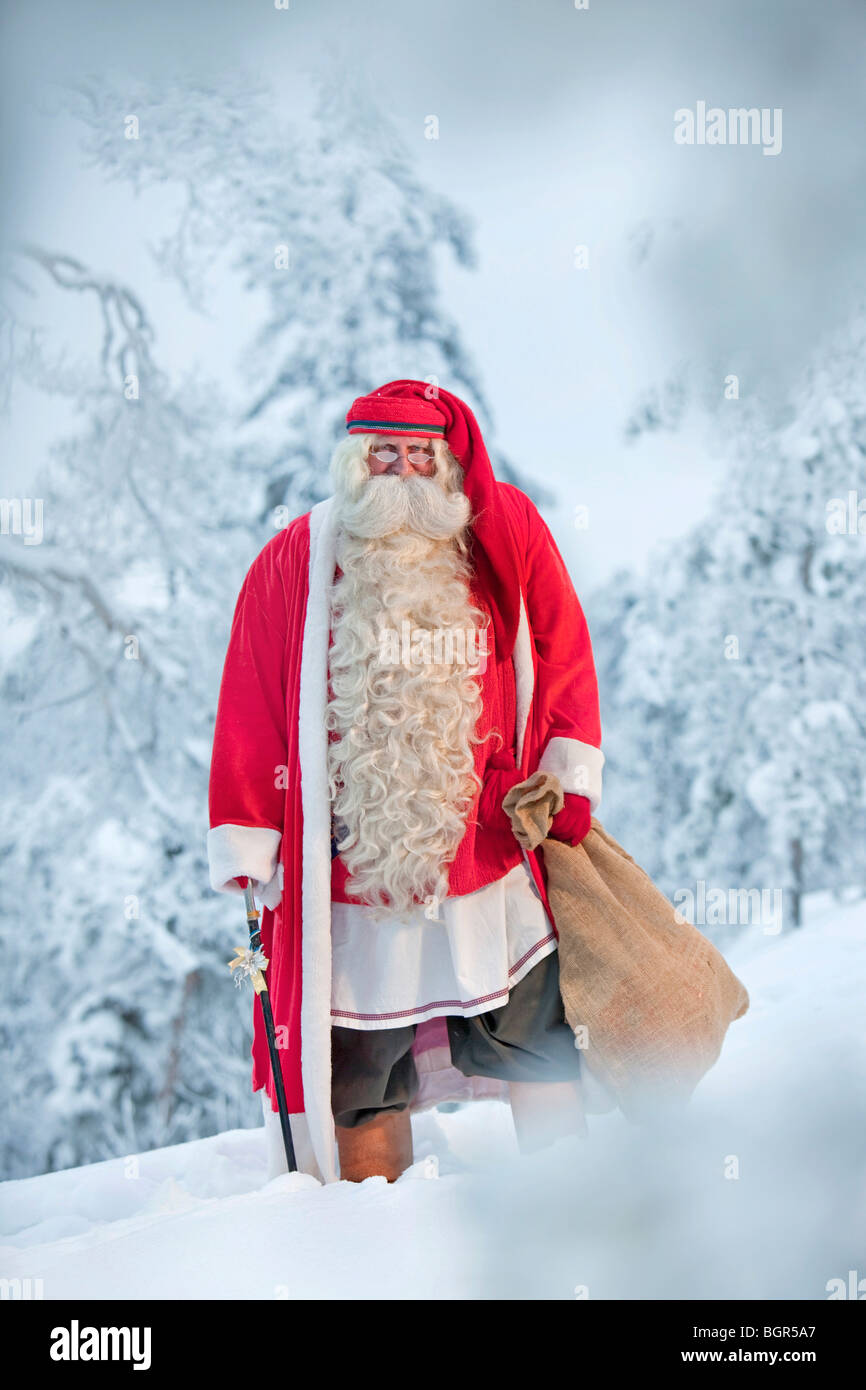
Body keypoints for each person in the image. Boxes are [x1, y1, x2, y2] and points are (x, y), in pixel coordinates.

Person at [207, 380, 604, 1184]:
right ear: (354, 462)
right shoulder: (294, 559)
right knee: (361, 1077)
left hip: (489, 851)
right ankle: (373, 1242)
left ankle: (570, 1210)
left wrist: (567, 776)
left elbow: (562, 646)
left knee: (539, 1044)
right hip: (358, 872)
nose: (401, 472)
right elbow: (250, 699)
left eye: (420, 455)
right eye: (382, 453)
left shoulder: (499, 532)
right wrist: (251, 839)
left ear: (448, 465)